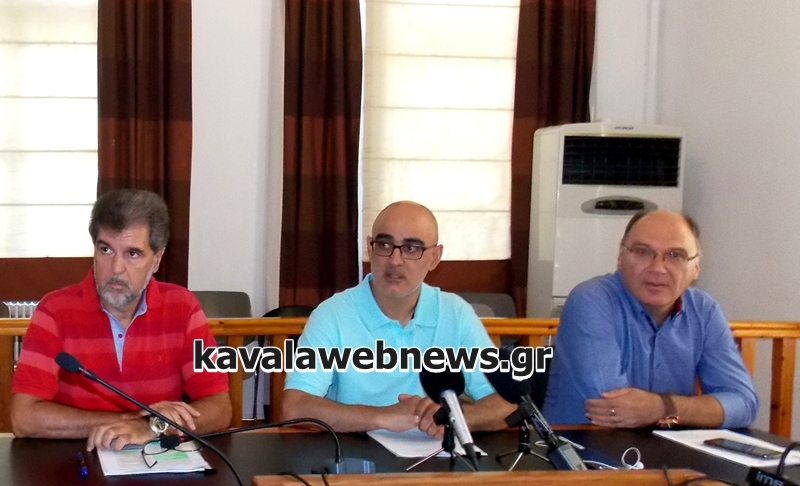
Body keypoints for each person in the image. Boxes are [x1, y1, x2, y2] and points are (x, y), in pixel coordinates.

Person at [11, 189, 232, 450]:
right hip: (80, 457)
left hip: (158, 461)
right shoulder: (54, 311)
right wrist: (134, 422)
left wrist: (151, 428)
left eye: (132, 254)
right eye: (106, 249)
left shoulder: (183, 307)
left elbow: (219, 408)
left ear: (157, 259)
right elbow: (23, 418)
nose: (115, 268)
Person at [282, 201, 515, 436]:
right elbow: (295, 407)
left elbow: (507, 403)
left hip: (435, 456)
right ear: (370, 248)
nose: (395, 260)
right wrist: (382, 417)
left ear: (435, 257)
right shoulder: (332, 314)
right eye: (384, 245)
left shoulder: (455, 314)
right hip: (355, 454)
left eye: (411, 248)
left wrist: (454, 419)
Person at [543, 210, 758, 429]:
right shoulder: (591, 300)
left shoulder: (704, 310)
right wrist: (687, 410)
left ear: (695, 269)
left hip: (669, 448)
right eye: (643, 252)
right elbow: (614, 408)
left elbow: (743, 403)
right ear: (620, 259)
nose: (657, 268)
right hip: (585, 448)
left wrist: (663, 407)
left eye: (675, 255)